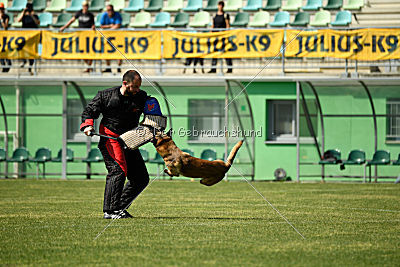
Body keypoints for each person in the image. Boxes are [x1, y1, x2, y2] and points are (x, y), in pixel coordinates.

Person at [80, 70, 151, 219]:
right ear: (125, 84)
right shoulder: (105, 95)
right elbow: (89, 111)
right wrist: (87, 125)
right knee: (118, 171)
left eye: (139, 87)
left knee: (141, 178)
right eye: (135, 87)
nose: (138, 90)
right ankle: (110, 211)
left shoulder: (141, 97)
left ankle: (119, 208)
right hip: (110, 138)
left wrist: (154, 121)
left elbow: (152, 113)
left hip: (130, 140)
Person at [60, 1, 95, 73]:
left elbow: (93, 24)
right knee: (81, 51)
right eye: (84, 6)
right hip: (81, 35)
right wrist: (64, 27)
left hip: (88, 36)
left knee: (90, 51)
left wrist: (93, 27)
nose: (85, 7)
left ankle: (89, 67)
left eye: (86, 6)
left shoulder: (90, 15)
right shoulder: (79, 13)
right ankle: (89, 65)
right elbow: (72, 20)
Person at [208, 1, 233, 74]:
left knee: (225, 52)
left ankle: (229, 68)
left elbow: (227, 25)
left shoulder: (225, 15)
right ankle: (213, 68)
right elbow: (213, 25)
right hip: (215, 36)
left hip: (223, 36)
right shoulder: (214, 15)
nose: (220, 6)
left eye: (222, 5)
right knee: (215, 52)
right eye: (219, 5)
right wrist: (210, 33)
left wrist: (227, 33)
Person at [17, 3, 39, 75]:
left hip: (32, 37)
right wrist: (23, 12)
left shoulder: (34, 16)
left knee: (31, 53)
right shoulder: (24, 16)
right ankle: (24, 60)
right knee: (19, 47)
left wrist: (32, 15)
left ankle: (30, 68)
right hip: (24, 36)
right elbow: (18, 20)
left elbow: (38, 22)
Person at [100, 4, 122, 73]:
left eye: (110, 10)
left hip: (117, 36)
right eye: (108, 10)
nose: (109, 11)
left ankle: (118, 67)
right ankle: (108, 67)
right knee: (107, 50)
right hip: (108, 36)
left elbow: (118, 25)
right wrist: (110, 26)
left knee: (119, 51)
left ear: (113, 10)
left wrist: (110, 30)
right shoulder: (104, 15)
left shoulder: (117, 15)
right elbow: (101, 26)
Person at [0, 2, 11, 72]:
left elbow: (5, 27)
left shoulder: (6, 17)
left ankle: (9, 63)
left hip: (4, 37)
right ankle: (3, 65)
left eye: (1, 9)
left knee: (5, 50)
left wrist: (1, 20)